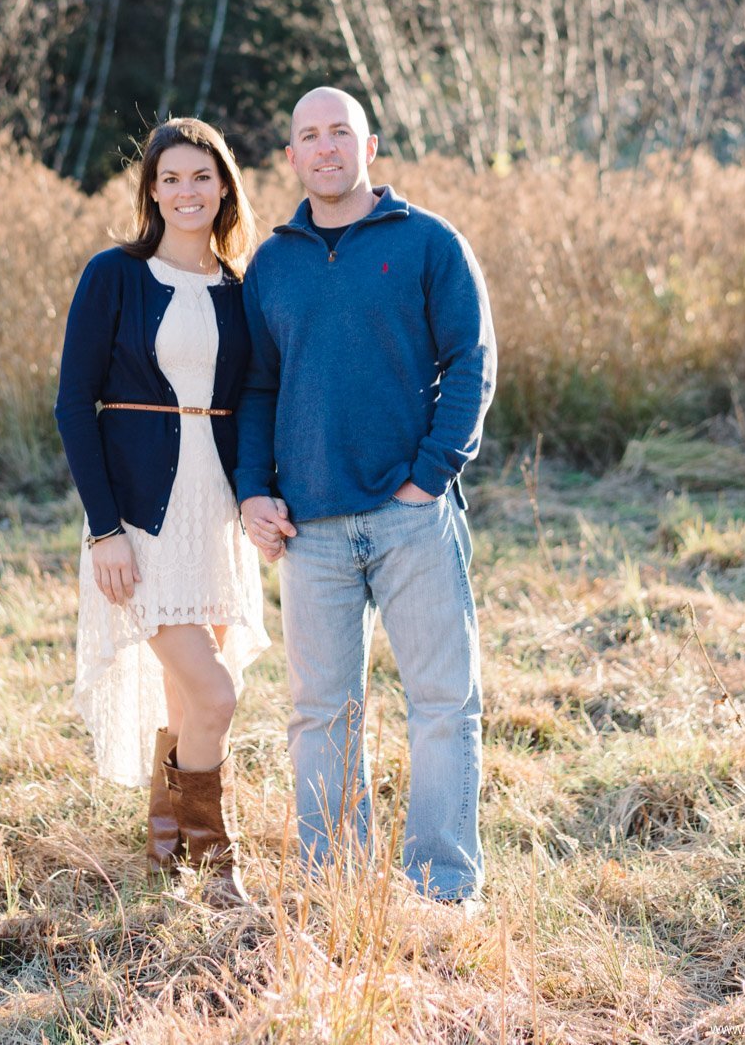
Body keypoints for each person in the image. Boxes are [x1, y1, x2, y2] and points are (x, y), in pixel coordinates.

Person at [236, 87, 495, 906]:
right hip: (308, 529)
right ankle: (334, 881)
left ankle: (441, 884)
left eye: (338, 131)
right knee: (320, 714)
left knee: (442, 704)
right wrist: (252, 491)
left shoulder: (427, 242)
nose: (324, 147)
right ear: (290, 156)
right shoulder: (272, 263)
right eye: (307, 134)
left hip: (410, 514)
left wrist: (431, 475)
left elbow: (472, 360)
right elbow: (255, 388)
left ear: (369, 144)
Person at [54, 117, 268, 906]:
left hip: (214, 516)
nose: (186, 191)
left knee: (189, 696)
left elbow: (252, 402)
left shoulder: (240, 289)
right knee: (215, 695)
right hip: (139, 522)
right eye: (170, 178)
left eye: (201, 177)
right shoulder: (114, 274)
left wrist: (258, 497)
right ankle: (216, 870)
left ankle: (164, 851)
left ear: (224, 187)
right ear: (151, 188)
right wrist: (104, 529)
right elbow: (75, 405)